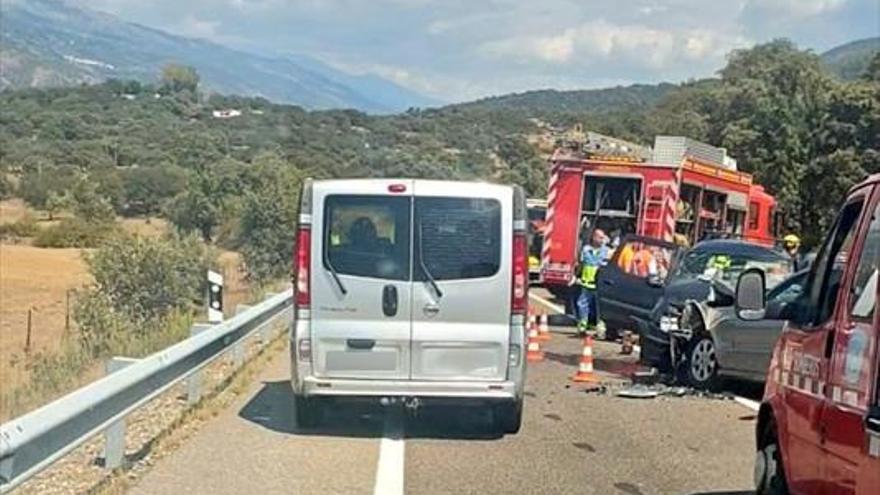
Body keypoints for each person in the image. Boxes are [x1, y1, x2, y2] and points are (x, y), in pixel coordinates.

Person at [575, 229, 609, 335]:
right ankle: (583, 325)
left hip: (600, 285)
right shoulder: (586, 250)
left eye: (603, 237)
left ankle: (601, 328)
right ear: (593, 237)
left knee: (600, 307)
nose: (601, 240)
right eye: (599, 237)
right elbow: (581, 264)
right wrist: (576, 276)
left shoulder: (606, 251)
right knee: (582, 304)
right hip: (586, 283)